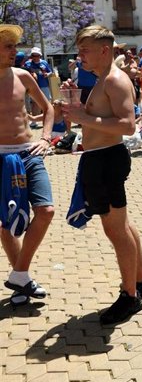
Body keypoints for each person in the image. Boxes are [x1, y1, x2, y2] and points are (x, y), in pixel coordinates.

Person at [61, 25, 142, 324]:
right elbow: (101, 119)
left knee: (115, 230)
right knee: (122, 224)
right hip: (100, 158)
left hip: (106, 160)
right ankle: (141, 281)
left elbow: (128, 125)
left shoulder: (115, 80)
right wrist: (76, 110)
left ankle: (130, 297)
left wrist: (83, 117)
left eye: (84, 49)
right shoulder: (103, 80)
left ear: (104, 50)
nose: (80, 56)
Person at [0, 25, 55, 307]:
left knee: (45, 211)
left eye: (14, 46)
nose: (15, 52)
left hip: (27, 152)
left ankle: (19, 274)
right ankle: (21, 282)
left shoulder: (23, 76)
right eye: (8, 46)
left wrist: (46, 138)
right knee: (6, 225)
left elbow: (49, 108)